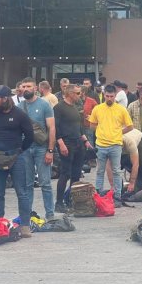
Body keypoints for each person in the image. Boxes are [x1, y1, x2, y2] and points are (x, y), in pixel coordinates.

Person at [0, 85, 34, 238]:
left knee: (22, 192)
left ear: (5, 99)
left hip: (16, 157)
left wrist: (20, 150)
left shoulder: (20, 115)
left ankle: (25, 225)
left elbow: (30, 136)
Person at [88, 84, 133, 205]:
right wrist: (101, 130)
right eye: (107, 96)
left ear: (115, 96)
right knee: (100, 171)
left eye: (111, 96)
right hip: (101, 145)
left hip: (116, 145)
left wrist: (118, 132)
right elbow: (92, 125)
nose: (109, 98)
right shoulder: (97, 109)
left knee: (116, 171)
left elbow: (130, 126)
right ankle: (98, 194)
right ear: (104, 95)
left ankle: (117, 196)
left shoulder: (121, 109)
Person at [19, 77, 56, 219]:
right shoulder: (19, 107)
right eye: (23, 86)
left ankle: (50, 214)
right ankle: (27, 215)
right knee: (27, 184)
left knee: (45, 183)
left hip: (42, 148)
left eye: (29, 86)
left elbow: (51, 128)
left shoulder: (44, 105)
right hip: (25, 149)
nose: (26, 89)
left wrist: (50, 150)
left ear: (35, 88)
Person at [53, 84, 91, 212]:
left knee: (76, 174)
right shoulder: (59, 108)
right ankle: (59, 203)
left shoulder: (75, 107)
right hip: (66, 142)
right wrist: (61, 143)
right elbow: (56, 127)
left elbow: (79, 126)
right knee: (65, 173)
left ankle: (70, 200)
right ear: (70, 93)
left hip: (78, 142)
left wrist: (85, 140)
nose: (80, 95)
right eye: (78, 93)